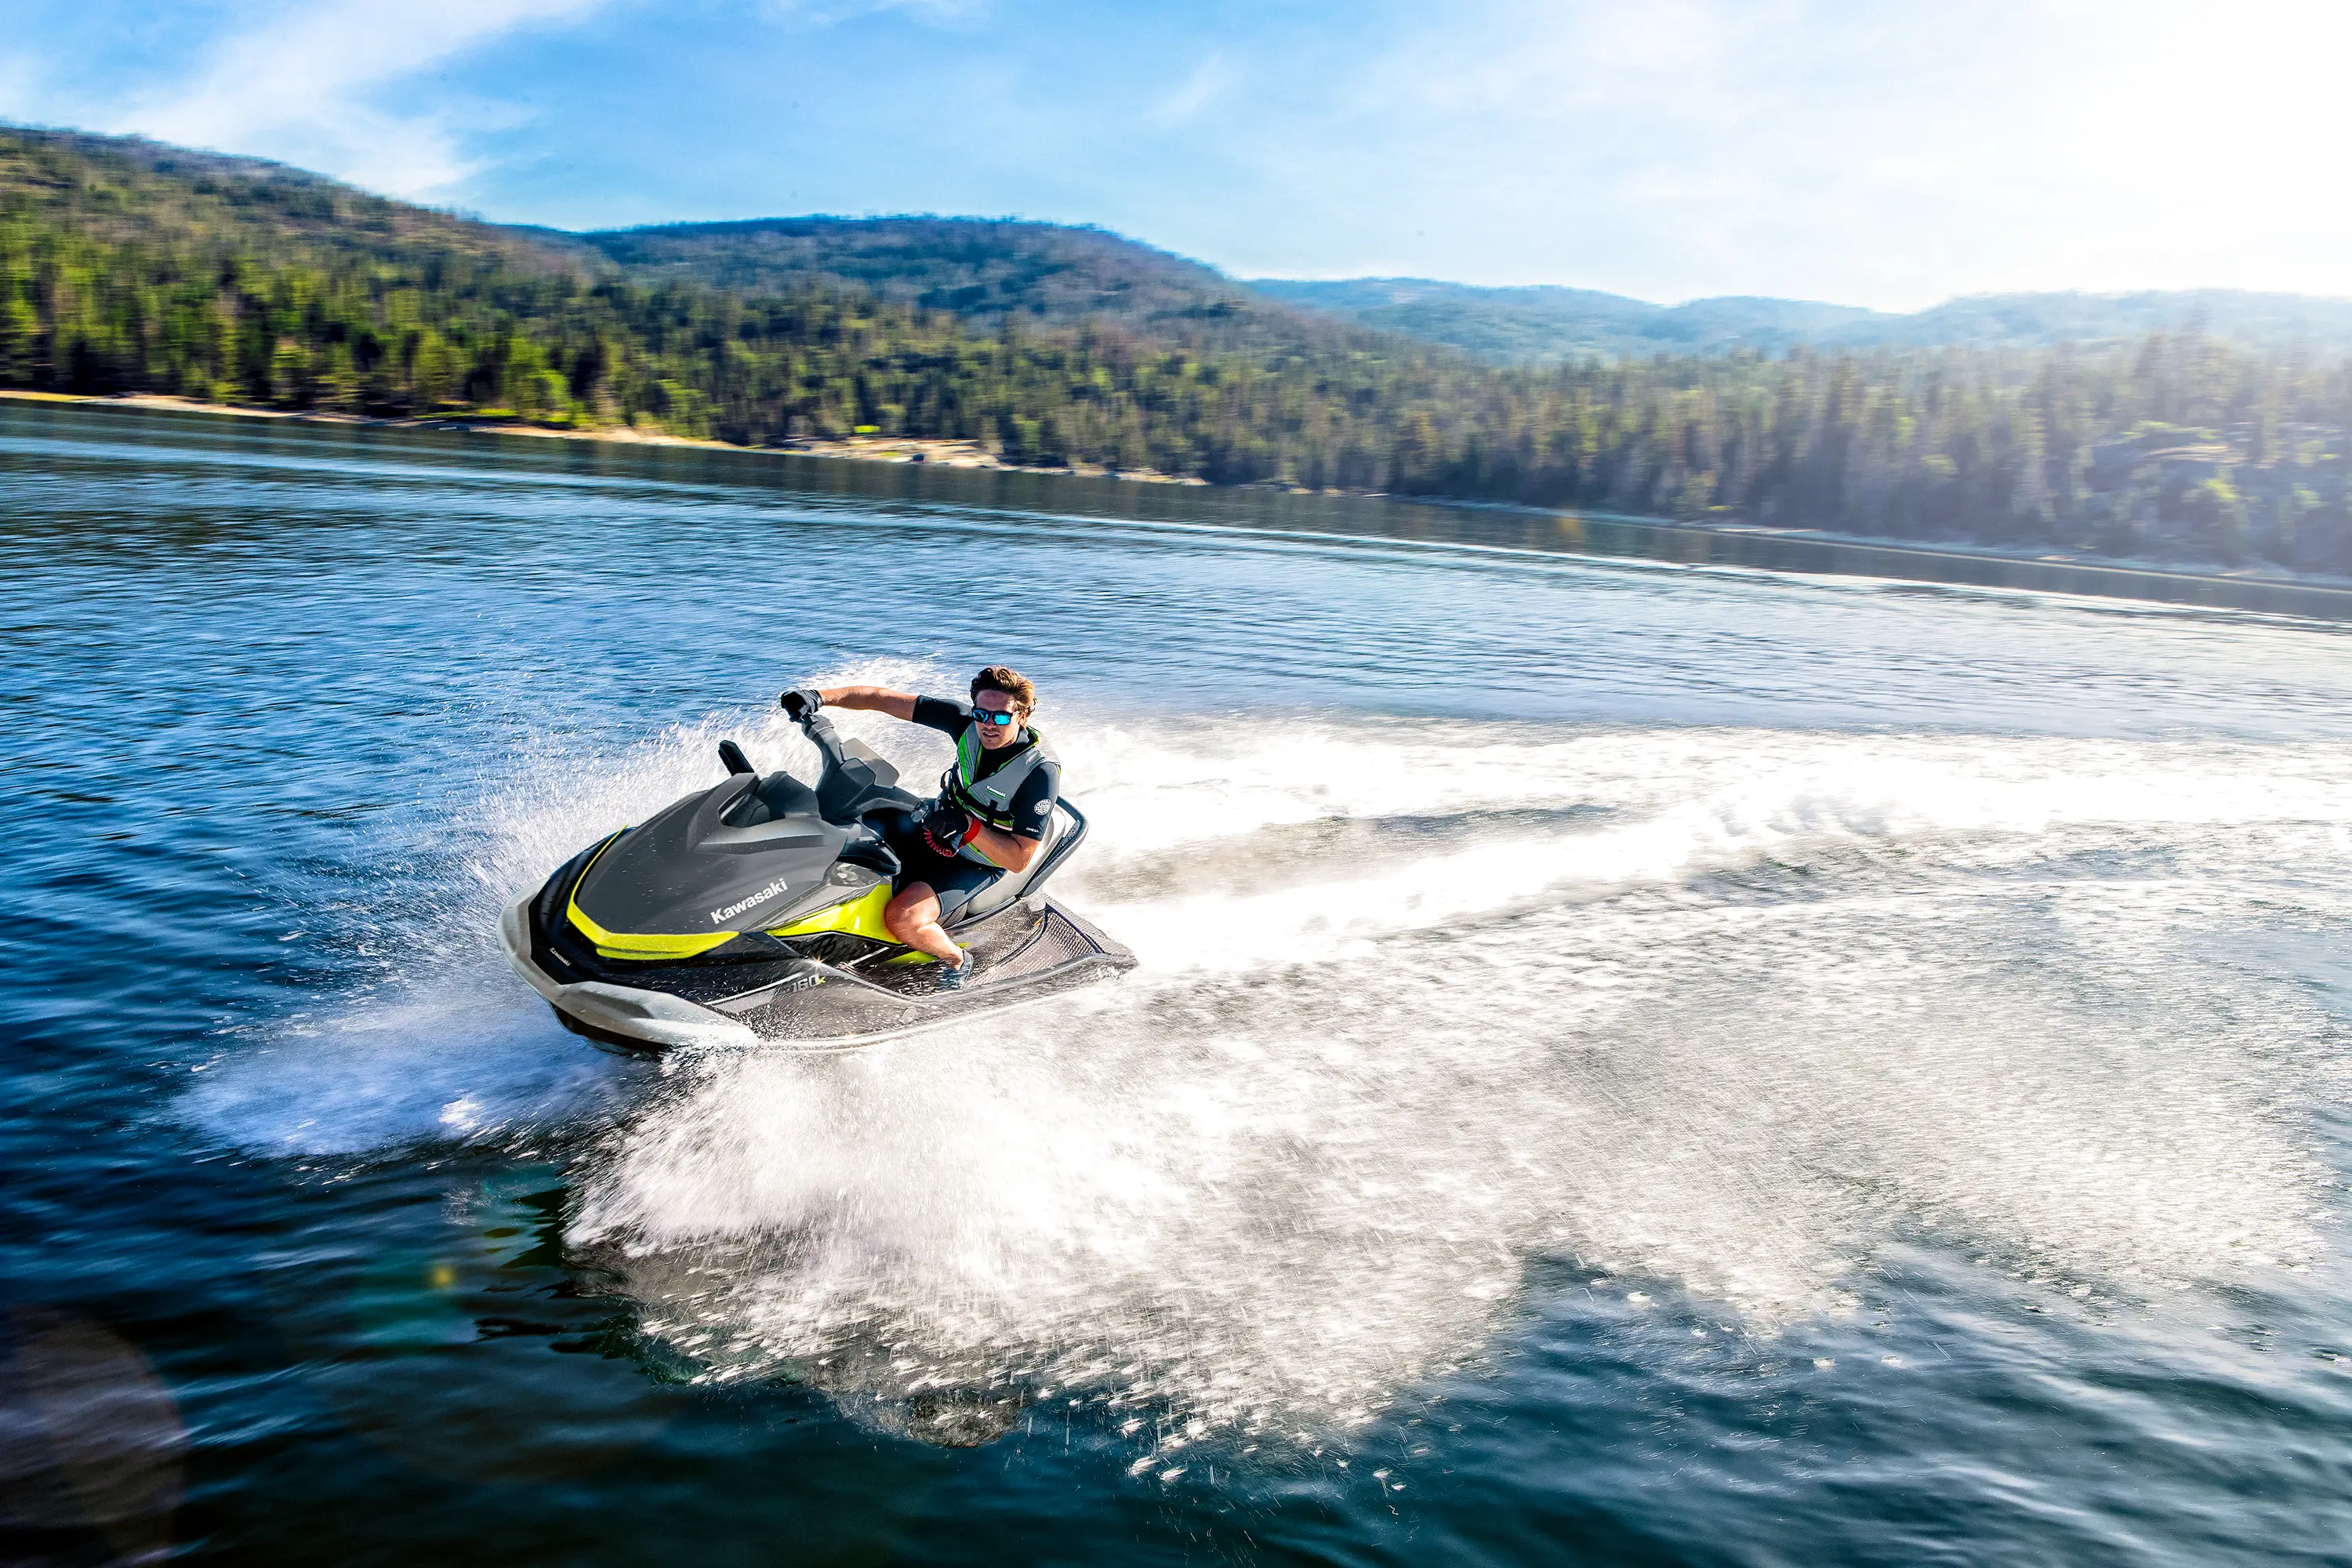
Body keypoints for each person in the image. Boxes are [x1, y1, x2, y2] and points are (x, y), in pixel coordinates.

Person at [779, 666, 1059, 989]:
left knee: (902, 918)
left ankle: (955, 960)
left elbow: (1018, 860)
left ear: (1022, 714)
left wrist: (968, 827)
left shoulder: (1040, 773)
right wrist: (819, 698)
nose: (987, 725)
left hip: (974, 860)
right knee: (835, 832)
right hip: (932, 826)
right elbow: (880, 699)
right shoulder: (964, 720)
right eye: (982, 714)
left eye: (1000, 717)